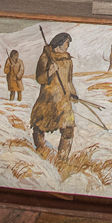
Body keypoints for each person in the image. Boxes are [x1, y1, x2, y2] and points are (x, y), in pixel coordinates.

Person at [30, 33, 77, 164]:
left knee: (68, 129)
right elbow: (39, 78)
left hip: (64, 101)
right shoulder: (46, 57)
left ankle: (62, 159)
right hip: (48, 100)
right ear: (59, 43)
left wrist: (73, 93)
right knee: (39, 126)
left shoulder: (68, 59)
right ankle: (40, 151)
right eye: (67, 43)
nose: (68, 45)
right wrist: (50, 71)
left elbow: (69, 80)